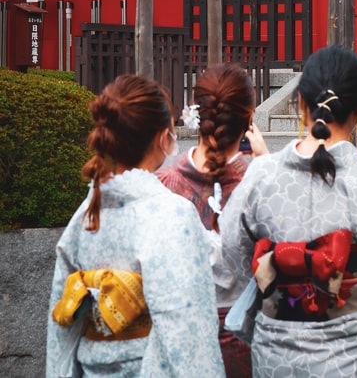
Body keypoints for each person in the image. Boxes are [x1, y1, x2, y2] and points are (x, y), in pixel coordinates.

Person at [218, 44, 357, 378]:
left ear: (301, 103)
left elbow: (230, 258)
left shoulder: (261, 175)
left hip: (276, 353)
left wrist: (271, 298)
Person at [46, 74, 224, 378]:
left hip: (90, 367)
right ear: (160, 137)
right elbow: (188, 329)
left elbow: (61, 323)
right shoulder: (171, 214)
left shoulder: (87, 215)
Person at [158, 63, 269, 378]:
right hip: (246, 336)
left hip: (181, 336)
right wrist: (266, 162)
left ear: (197, 115)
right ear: (249, 121)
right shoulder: (261, 181)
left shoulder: (165, 183)